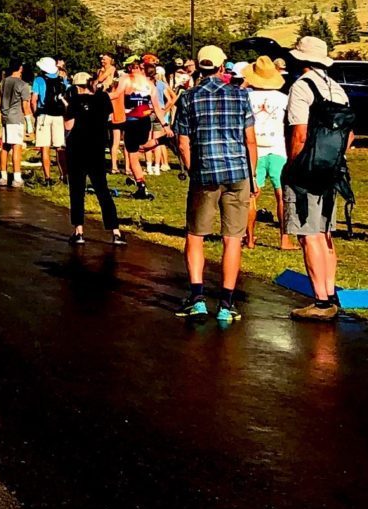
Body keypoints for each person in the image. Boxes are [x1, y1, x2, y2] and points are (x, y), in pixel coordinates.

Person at [172, 45, 257, 324]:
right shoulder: (240, 95)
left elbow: (183, 142)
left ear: (198, 67)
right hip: (237, 171)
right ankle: (226, 302)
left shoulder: (188, 98)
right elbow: (250, 140)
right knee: (232, 238)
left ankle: (197, 298)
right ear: (222, 68)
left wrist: (190, 167)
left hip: (205, 172)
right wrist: (253, 175)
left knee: (196, 235)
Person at [281, 35, 347, 320]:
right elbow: (349, 132)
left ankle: (320, 300)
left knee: (308, 236)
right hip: (332, 168)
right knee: (325, 233)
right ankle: (330, 293)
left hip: (306, 169)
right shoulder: (338, 89)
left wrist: (293, 166)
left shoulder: (301, 87)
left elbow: (298, 132)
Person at [63, 60, 120, 243]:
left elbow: (68, 125)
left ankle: (79, 230)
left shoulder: (74, 100)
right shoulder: (103, 98)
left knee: (77, 190)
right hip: (97, 147)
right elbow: (110, 118)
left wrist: (67, 108)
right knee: (102, 189)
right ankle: (115, 231)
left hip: (77, 147)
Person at [244, 56, 291, 251]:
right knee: (282, 195)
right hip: (278, 147)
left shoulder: (246, 97)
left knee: (251, 195)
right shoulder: (283, 98)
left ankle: (250, 239)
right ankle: (284, 239)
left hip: (254, 149)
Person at [119, 58, 158, 193]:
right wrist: (165, 125)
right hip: (144, 120)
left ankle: (141, 185)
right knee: (141, 146)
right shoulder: (150, 85)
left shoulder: (128, 82)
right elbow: (156, 106)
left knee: (133, 153)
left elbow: (117, 95)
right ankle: (161, 140)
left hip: (132, 120)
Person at [30, 56, 69, 186]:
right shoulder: (61, 79)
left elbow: (34, 99)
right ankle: (64, 175)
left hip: (44, 115)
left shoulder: (39, 80)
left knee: (45, 147)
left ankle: (47, 178)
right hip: (58, 116)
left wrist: (35, 114)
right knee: (59, 147)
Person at [0, 63, 30, 187]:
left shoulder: (4, 82)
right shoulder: (23, 85)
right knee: (17, 147)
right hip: (16, 118)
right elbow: (25, 106)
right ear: (20, 69)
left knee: (5, 147)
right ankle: (17, 177)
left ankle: (3, 177)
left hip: (5, 118)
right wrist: (29, 124)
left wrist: (4, 110)